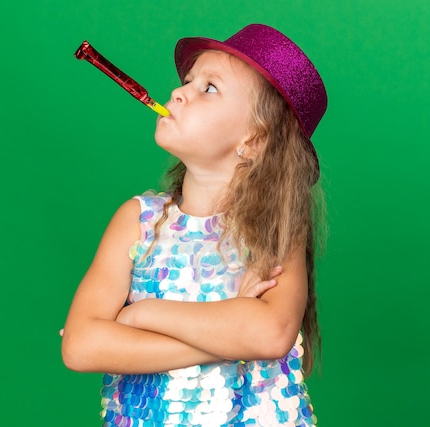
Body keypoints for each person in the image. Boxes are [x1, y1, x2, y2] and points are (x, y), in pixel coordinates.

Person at [61, 23, 328, 427]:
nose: (178, 92)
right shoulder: (137, 221)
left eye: (209, 88)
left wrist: (141, 315)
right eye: (188, 81)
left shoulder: (275, 230)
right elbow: (81, 346)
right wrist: (227, 337)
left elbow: (269, 335)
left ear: (254, 141)